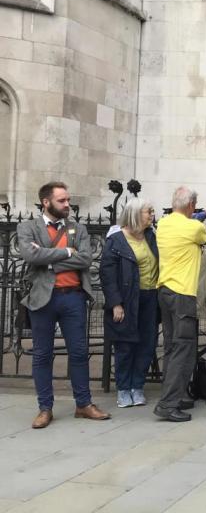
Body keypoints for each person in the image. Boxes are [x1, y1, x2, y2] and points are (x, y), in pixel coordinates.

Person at [18, 181, 111, 428]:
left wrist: (48, 261)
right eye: (62, 201)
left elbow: (86, 259)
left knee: (79, 353)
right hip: (42, 299)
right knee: (42, 355)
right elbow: (30, 255)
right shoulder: (28, 227)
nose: (67, 204)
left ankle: (84, 404)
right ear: (46, 202)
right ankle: (45, 408)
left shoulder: (78, 229)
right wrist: (67, 253)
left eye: (68, 200)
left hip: (73, 297)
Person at [154, 187, 206, 422]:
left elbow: (190, 218)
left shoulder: (164, 223)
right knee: (184, 349)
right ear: (191, 205)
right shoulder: (193, 228)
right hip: (183, 294)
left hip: (164, 290)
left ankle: (174, 396)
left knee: (172, 348)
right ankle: (168, 404)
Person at [101, 198, 159, 409]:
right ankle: (123, 388)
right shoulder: (116, 240)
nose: (152, 215)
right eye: (148, 211)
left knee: (147, 343)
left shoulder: (151, 236)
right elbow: (107, 276)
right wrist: (116, 303)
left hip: (150, 297)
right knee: (125, 344)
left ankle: (138, 386)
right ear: (135, 214)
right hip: (127, 299)